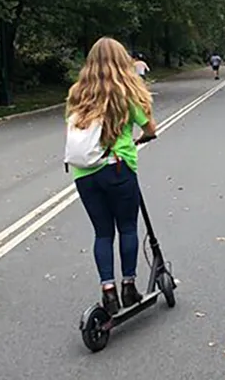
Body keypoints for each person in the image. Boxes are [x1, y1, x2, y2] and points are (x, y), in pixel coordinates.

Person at [66, 37, 158, 315]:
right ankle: (129, 286)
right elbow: (150, 128)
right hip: (117, 168)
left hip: (84, 173)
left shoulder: (77, 93)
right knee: (127, 227)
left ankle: (108, 291)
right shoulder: (126, 92)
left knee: (102, 233)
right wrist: (140, 139)